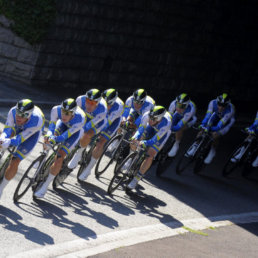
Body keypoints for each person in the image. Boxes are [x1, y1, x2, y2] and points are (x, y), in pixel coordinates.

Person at [33, 98, 85, 198]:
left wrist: (55, 139)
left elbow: (63, 137)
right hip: (62, 125)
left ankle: (45, 186)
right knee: (49, 137)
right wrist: (49, 136)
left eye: (67, 113)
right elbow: (51, 127)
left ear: (73, 114)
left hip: (74, 132)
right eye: (63, 112)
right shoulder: (55, 110)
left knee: (60, 157)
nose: (64, 115)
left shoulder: (80, 118)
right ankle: (43, 155)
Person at [0, 99, 45, 200]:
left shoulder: (36, 121)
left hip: (32, 132)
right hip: (18, 127)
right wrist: (3, 139)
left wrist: (8, 142)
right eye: (18, 113)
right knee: (3, 139)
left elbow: (19, 140)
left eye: (23, 115)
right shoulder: (12, 111)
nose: (19, 116)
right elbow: (7, 130)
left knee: (15, 161)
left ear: (29, 115)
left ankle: (1, 189)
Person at [78, 88, 124, 179]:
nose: (106, 106)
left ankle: (89, 168)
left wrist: (97, 131)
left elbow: (107, 123)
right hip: (99, 117)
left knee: (100, 142)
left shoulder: (118, 107)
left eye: (109, 104)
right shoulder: (99, 103)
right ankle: (79, 152)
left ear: (113, 103)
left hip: (112, 122)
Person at [127, 105, 172, 190]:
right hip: (150, 128)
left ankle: (136, 179)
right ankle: (130, 160)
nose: (151, 120)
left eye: (153, 119)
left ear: (160, 119)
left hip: (162, 134)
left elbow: (154, 140)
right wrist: (135, 138)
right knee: (135, 140)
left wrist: (144, 142)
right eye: (150, 118)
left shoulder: (166, 123)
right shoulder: (147, 114)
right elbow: (140, 129)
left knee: (150, 155)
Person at [67, 89, 108, 180]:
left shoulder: (102, 110)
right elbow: (73, 116)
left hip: (97, 122)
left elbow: (89, 126)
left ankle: (80, 154)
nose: (89, 105)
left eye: (93, 103)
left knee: (86, 134)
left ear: (97, 103)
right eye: (88, 101)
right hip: (85, 118)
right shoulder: (80, 100)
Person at [188, 93, 235, 164]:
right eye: (219, 104)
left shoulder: (230, 110)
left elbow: (219, 125)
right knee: (203, 129)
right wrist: (203, 125)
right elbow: (208, 115)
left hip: (227, 121)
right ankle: (195, 145)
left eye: (223, 105)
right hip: (215, 116)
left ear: (227, 105)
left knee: (215, 135)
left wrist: (210, 129)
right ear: (217, 102)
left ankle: (212, 152)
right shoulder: (212, 103)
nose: (221, 107)